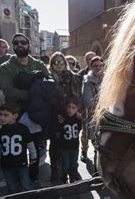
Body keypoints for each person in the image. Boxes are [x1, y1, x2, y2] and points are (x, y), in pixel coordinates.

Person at [0, 33, 49, 185]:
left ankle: (33, 178)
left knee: (35, 147)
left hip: (36, 112)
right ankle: (16, 182)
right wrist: (33, 92)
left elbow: (48, 83)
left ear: (29, 45)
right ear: (13, 46)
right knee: (17, 151)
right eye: (16, 43)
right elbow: (8, 90)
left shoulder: (39, 64)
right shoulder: (5, 67)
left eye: (23, 42)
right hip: (15, 115)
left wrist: (34, 90)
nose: (20, 45)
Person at [0, 103, 36, 195]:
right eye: (0, 115)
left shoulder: (22, 128)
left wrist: (33, 156)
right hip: (6, 165)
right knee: (11, 188)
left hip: (21, 164)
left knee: (26, 185)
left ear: (15, 116)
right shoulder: (1, 130)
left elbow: (30, 143)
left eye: (5, 115)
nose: (2, 118)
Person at [47, 52, 82, 184]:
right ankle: (55, 170)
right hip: (56, 115)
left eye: (61, 62)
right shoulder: (48, 78)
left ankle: (72, 170)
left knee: (71, 143)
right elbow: (48, 100)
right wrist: (57, 115)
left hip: (71, 114)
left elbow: (78, 96)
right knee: (55, 144)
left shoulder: (73, 77)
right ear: (52, 64)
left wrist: (76, 111)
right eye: (55, 62)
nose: (59, 64)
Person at [82, 56, 104, 173]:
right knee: (96, 144)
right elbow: (88, 101)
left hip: (110, 117)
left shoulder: (108, 78)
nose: (98, 68)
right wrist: (104, 103)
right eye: (95, 66)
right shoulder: (87, 80)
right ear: (91, 67)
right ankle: (96, 170)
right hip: (95, 117)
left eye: (101, 65)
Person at [57, 98, 82, 184]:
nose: (70, 110)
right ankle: (64, 178)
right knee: (66, 164)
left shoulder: (78, 119)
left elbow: (79, 129)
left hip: (75, 147)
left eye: (73, 108)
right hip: (64, 148)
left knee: (74, 164)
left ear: (77, 109)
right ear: (66, 107)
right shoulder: (62, 119)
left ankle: (72, 177)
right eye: (69, 107)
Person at [77, 51, 96, 161]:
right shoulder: (81, 73)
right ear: (85, 61)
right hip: (85, 108)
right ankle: (84, 150)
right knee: (85, 131)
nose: (91, 60)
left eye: (92, 58)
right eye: (88, 59)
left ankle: (96, 151)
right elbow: (78, 91)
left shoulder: (101, 72)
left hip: (98, 108)